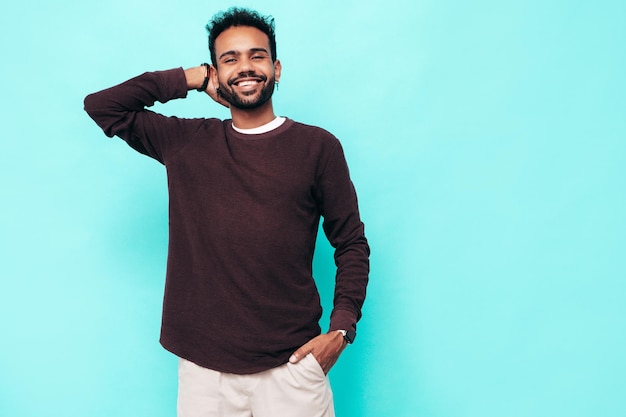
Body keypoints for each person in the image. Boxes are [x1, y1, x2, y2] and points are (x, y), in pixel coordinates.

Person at [84, 7, 369, 417]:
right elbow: (103, 106)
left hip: (292, 369)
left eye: (257, 56)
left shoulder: (317, 147)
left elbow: (351, 243)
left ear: (277, 67)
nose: (245, 67)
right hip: (205, 375)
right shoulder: (187, 142)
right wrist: (192, 77)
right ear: (216, 73)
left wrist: (341, 329)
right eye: (229, 59)